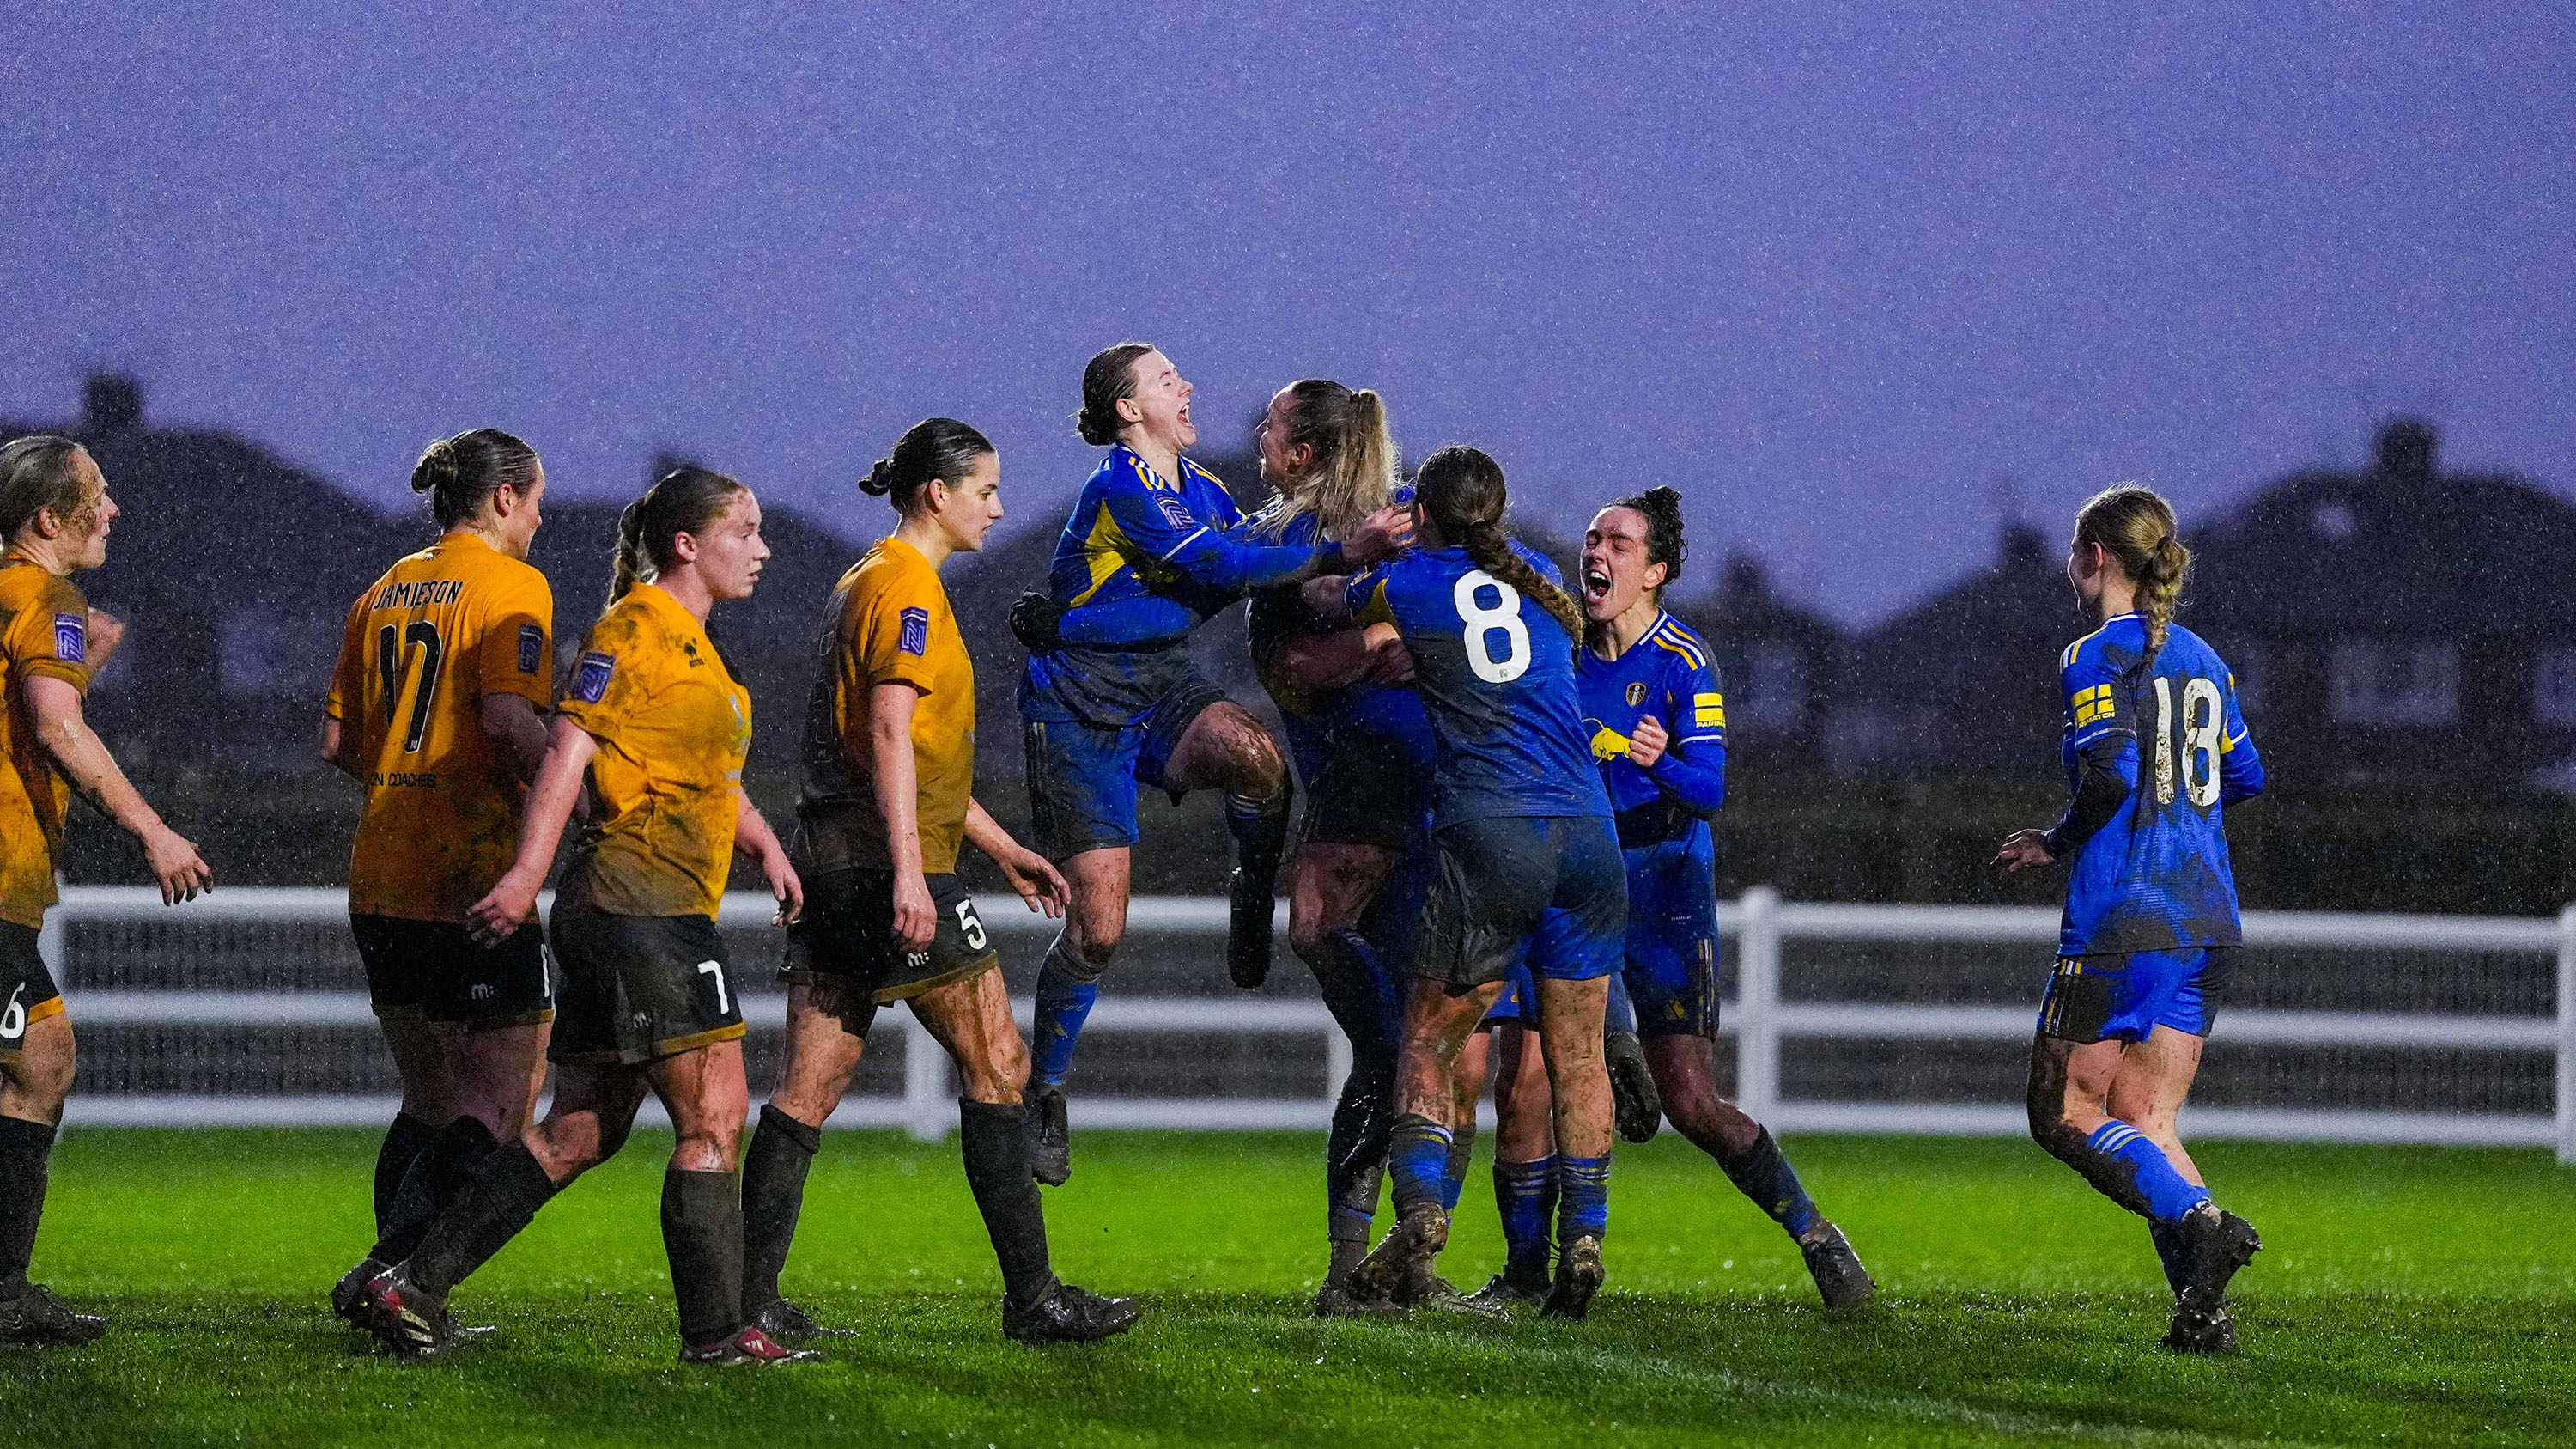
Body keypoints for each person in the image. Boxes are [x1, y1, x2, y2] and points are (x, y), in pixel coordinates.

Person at [359, 466, 812, 1366]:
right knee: (715, 1113)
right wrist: (528, 873)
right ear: (686, 543)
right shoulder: (635, 628)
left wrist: (764, 844)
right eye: (745, 530)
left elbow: (702, 778)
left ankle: (410, 1285)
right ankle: (719, 1335)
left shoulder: (695, 646)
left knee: (584, 1127)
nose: (762, 547)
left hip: (648, 905)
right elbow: (569, 749)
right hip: (640, 904)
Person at [738, 418, 1139, 1347]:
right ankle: (1033, 1298)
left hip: (841, 858)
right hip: (886, 866)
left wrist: (995, 844)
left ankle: (746, 1298)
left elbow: (907, 754)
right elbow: (885, 735)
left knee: (807, 1087)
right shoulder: (906, 588)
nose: (998, 507)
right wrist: (918, 875)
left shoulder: (862, 579)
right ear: (937, 493)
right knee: (999, 1060)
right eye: (986, 489)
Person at [1008, 344, 1407, 1185]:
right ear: (1127, 409)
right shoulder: (1120, 484)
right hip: (1079, 708)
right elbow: (1223, 567)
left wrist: (1343, 587)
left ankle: (1247, 891)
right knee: (1098, 930)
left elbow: (1249, 565)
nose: (1187, 386)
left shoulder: (1208, 492)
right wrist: (1340, 557)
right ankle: (1042, 1087)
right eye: (1164, 380)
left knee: (1262, 765)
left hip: (1158, 684)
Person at [1467, 489, 1874, 1313]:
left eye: (1617, 543)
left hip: (1663, 894)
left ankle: (1818, 1236)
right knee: (1523, 1078)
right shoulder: (1559, 653)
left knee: (1690, 1101)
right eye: (1592, 539)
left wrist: (1653, 758)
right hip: (1576, 888)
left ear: (1655, 571)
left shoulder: (1684, 661)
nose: (1597, 553)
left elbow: (1710, 788)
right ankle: (1523, 1270)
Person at [1300, 445, 1622, 1319]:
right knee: (1579, 1055)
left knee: (1426, 1043)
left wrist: (1360, 551)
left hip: (1495, 830)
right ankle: (1584, 1237)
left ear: (1428, 515)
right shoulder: (1544, 574)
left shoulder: (1408, 583)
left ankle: (1422, 1220)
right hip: (1590, 833)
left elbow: (1320, 603)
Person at [1994, 483, 2266, 1355]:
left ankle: (2202, 1219)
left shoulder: (2092, 656)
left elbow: (2108, 771)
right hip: (2209, 917)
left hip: (2125, 919)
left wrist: (2055, 838)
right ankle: (2202, 1316)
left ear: (2095, 559)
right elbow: (2247, 774)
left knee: (2061, 1111)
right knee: (2147, 1118)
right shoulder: (2206, 657)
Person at [321, 429, 556, 1329]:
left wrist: (406, 779)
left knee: (427, 1099)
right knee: (499, 1104)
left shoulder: (381, 589)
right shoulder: (510, 586)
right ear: (503, 499)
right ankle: (391, 1277)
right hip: (471, 873)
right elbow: (506, 718)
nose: (538, 519)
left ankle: (393, 1291)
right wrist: (578, 789)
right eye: (534, 500)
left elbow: (339, 743)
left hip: (381, 871)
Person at [0, 436, 212, 1345]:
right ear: (51, 519)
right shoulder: (46, 597)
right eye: (99, 494)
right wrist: (154, 829)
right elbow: (56, 728)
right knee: (41, 1061)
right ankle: (5, 1293)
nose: (114, 510)